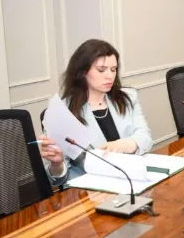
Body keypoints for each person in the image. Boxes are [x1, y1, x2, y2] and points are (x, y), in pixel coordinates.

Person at [39, 39, 153, 186]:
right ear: (82, 72)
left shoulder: (128, 97)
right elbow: (56, 179)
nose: (110, 76)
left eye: (113, 69)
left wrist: (123, 145)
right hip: (89, 190)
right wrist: (57, 165)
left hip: (132, 179)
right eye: (101, 70)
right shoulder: (62, 112)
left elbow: (145, 136)